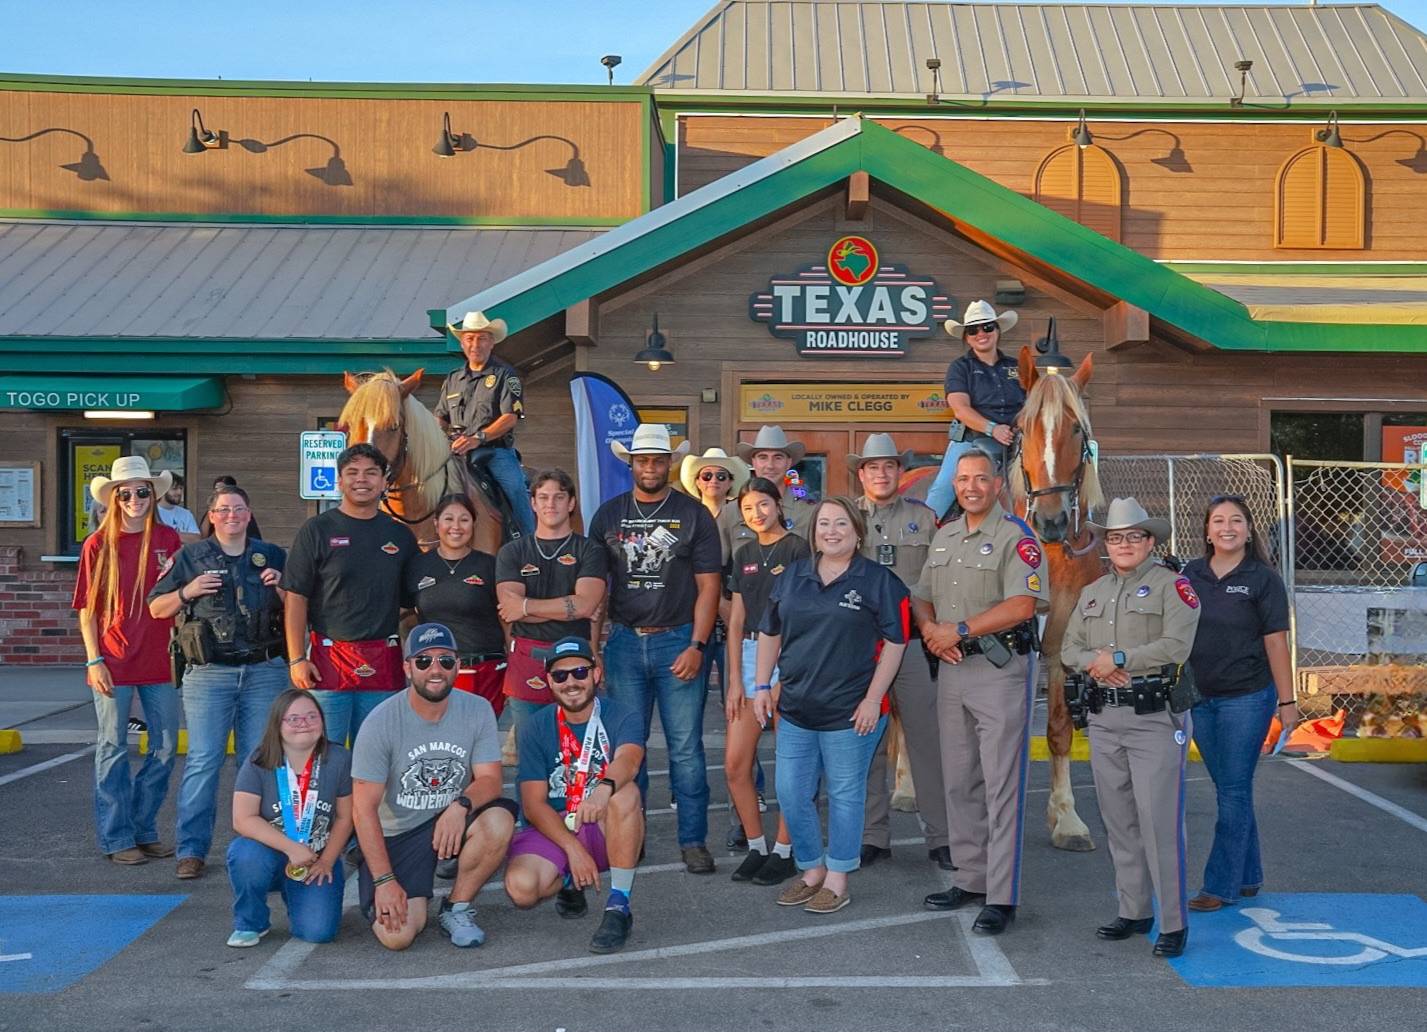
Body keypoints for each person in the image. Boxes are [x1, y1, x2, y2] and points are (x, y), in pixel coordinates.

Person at [752, 497, 909, 914]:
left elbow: (896, 641)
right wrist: (761, 685)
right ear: (813, 531)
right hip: (797, 709)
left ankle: (838, 876)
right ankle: (811, 869)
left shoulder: (878, 581)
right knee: (790, 791)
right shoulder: (792, 577)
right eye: (824, 523)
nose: (832, 531)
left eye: (841, 523)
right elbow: (770, 631)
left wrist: (874, 699)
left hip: (851, 712)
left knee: (844, 793)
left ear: (858, 532)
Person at [915, 448, 1048, 936]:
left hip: (999, 669)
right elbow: (921, 594)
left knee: (1001, 782)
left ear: (997, 485)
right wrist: (932, 632)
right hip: (952, 668)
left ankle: (1001, 893)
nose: (970, 486)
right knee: (959, 778)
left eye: (980, 479)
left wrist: (960, 629)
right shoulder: (946, 535)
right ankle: (970, 877)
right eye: (962, 479)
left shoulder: (1017, 537)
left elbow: (1022, 604)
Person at [1062, 497, 1202, 959]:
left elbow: (1177, 646)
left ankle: (1174, 922)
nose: (1123, 544)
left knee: (1159, 821)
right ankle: (1134, 909)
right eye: (1116, 537)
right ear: (1106, 544)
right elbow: (1070, 650)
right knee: (1118, 820)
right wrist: (1097, 664)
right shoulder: (1093, 591)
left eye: (1133, 537)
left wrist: (1120, 659)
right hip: (1105, 718)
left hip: (1153, 720)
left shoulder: (1172, 587)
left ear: (1150, 542)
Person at [589, 423, 722, 874]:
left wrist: (698, 645)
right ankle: (632, 833)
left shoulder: (693, 515)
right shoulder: (607, 516)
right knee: (630, 746)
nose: (650, 467)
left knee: (686, 748)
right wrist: (596, 649)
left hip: (677, 640)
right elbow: (597, 588)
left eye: (658, 460)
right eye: (642, 460)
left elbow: (709, 587)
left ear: (670, 463)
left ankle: (692, 839)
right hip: (625, 642)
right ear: (630, 463)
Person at [148, 484, 288, 880]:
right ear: (211, 515)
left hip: (264, 670)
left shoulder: (271, 555)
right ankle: (191, 850)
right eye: (224, 509)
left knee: (257, 760)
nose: (231, 515)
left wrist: (281, 587)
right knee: (204, 761)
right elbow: (157, 608)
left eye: (239, 509)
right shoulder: (190, 557)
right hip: (209, 673)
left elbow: (300, 607)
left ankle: (258, 846)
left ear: (249, 513)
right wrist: (187, 591)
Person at [351, 623, 517, 950]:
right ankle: (392, 883)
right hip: (398, 832)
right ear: (407, 668)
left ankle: (456, 906)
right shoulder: (381, 721)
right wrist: (385, 881)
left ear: (458, 664)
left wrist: (460, 806)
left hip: (450, 819)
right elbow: (362, 808)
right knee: (397, 937)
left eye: (446, 660)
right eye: (424, 662)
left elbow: (490, 780)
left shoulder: (477, 708)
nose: (436, 669)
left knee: (499, 821)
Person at [1182, 495, 1295, 913]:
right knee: (1232, 787)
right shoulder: (1190, 575)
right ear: (1207, 530)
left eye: (1236, 520)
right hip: (1200, 698)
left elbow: (1276, 642)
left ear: (1249, 530)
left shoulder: (1263, 579)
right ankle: (1249, 875)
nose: (1226, 527)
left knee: (1231, 790)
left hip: (1247, 699)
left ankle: (1221, 884)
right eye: (1218, 521)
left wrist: (1288, 702)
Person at [72, 456, 183, 866]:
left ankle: (142, 828)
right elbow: (87, 610)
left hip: (160, 661)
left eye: (143, 491)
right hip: (113, 661)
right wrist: (93, 660)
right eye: (126, 493)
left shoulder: (168, 539)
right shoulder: (98, 545)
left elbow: (179, 598)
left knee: (166, 747)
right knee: (113, 748)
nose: (135, 499)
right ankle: (117, 837)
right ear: (114, 498)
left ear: (153, 495)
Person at [505, 636, 645, 954]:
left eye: (580, 672)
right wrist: (571, 849)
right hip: (557, 825)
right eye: (560, 675)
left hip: (603, 819)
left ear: (596, 674)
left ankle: (618, 906)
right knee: (521, 890)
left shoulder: (622, 714)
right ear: (549, 682)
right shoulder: (536, 727)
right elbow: (532, 803)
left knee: (626, 793)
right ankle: (568, 879)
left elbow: (629, 760)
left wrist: (602, 790)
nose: (571, 682)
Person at [851, 433, 949, 871]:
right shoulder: (843, 519)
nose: (882, 474)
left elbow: (942, 580)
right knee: (865, 743)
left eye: (889, 466)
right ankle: (873, 836)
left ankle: (942, 837)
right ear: (861, 473)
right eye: (873, 467)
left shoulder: (925, 519)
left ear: (900, 472)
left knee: (927, 743)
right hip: (860, 648)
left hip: (911, 644)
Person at [283, 443, 418, 746]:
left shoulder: (400, 535)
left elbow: (416, 601)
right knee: (323, 757)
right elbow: (295, 598)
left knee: (375, 759)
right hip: (328, 664)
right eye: (352, 472)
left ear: (384, 482)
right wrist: (295, 659)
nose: (362, 479)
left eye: (371, 473)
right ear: (339, 481)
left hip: (384, 664)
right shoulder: (316, 530)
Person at [725, 477, 806, 885]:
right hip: (751, 655)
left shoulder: (798, 549)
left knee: (789, 767)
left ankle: (785, 850)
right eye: (748, 509)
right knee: (736, 764)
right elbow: (736, 620)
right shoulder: (743, 554)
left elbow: (806, 617)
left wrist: (781, 680)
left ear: (778, 503)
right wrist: (736, 680)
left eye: (763, 505)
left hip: (790, 657)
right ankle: (757, 846)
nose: (757, 514)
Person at [226, 690, 352, 947]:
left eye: (311, 716)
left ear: (322, 721)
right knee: (245, 855)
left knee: (318, 932)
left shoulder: (339, 759)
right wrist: (291, 848)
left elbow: (345, 817)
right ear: (277, 725)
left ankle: (296, 893)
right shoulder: (259, 759)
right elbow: (242, 819)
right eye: (293, 719)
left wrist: (327, 861)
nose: (303, 723)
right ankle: (251, 922)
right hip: (269, 853)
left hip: (316, 857)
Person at [495, 469, 608, 732]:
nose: (550, 504)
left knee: (578, 750)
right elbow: (507, 608)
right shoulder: (512, 551)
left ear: (571, 503)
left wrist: (525, 606)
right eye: (543, 497)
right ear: (533, 503)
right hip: (527, 658)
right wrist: (570, 606)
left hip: (575, 659)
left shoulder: (590, 550)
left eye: (559, 497)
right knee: (530, 750)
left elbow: (586, 605)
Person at [405, 494, 507, 717]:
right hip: (436, 673)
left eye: (464, 519)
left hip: (485, 672)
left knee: (480, 744)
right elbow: (404, 614)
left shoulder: (491, 565)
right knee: (440, 744)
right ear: (436, 524)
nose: (456, 527)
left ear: (473, 523)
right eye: (448, 519)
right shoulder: (417, 566)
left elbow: (507, 618)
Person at [436, 310, 536, 537]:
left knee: (516, 490)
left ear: (492, 343)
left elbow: (510, 417)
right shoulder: (452, 379)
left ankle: (530, 545)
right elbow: (440, 417)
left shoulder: (505, 375)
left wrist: (477, 438)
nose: (475, 344)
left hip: (494, 452)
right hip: (455, 453)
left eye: (481, 338)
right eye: (470, 338)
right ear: (462, 343)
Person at [924, 301, 1025, 522]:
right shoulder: (960, 367)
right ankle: (923, 536)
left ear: (997, 331)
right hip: (972, 440)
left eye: (987, 327)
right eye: (973, 330)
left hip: (1018, 441)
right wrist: (993, 429)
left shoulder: (1017, 367)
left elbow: (1033, 403)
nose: (981, 333)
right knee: (942, 489)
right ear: (966, 337)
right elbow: (961, 409)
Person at [723, 425, 818, 556]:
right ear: (753, 462)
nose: (770, 465)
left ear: (788, 462)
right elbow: (717, 564)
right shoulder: (731, 511)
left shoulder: (809, 511)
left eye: (778, 457)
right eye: (763, 457)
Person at [199, 476, 265, 540]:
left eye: (222, 488)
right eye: (216, 489)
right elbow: (203, 535)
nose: (218, 492)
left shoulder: (243, 513)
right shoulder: (212, 512)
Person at [156, 473, 201, 539]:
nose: (179, 492)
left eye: (181, 488)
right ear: (163, 490)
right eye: (174, 488)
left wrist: (168, 534)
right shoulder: (152, 513)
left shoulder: (186, 514)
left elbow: (196, 538)